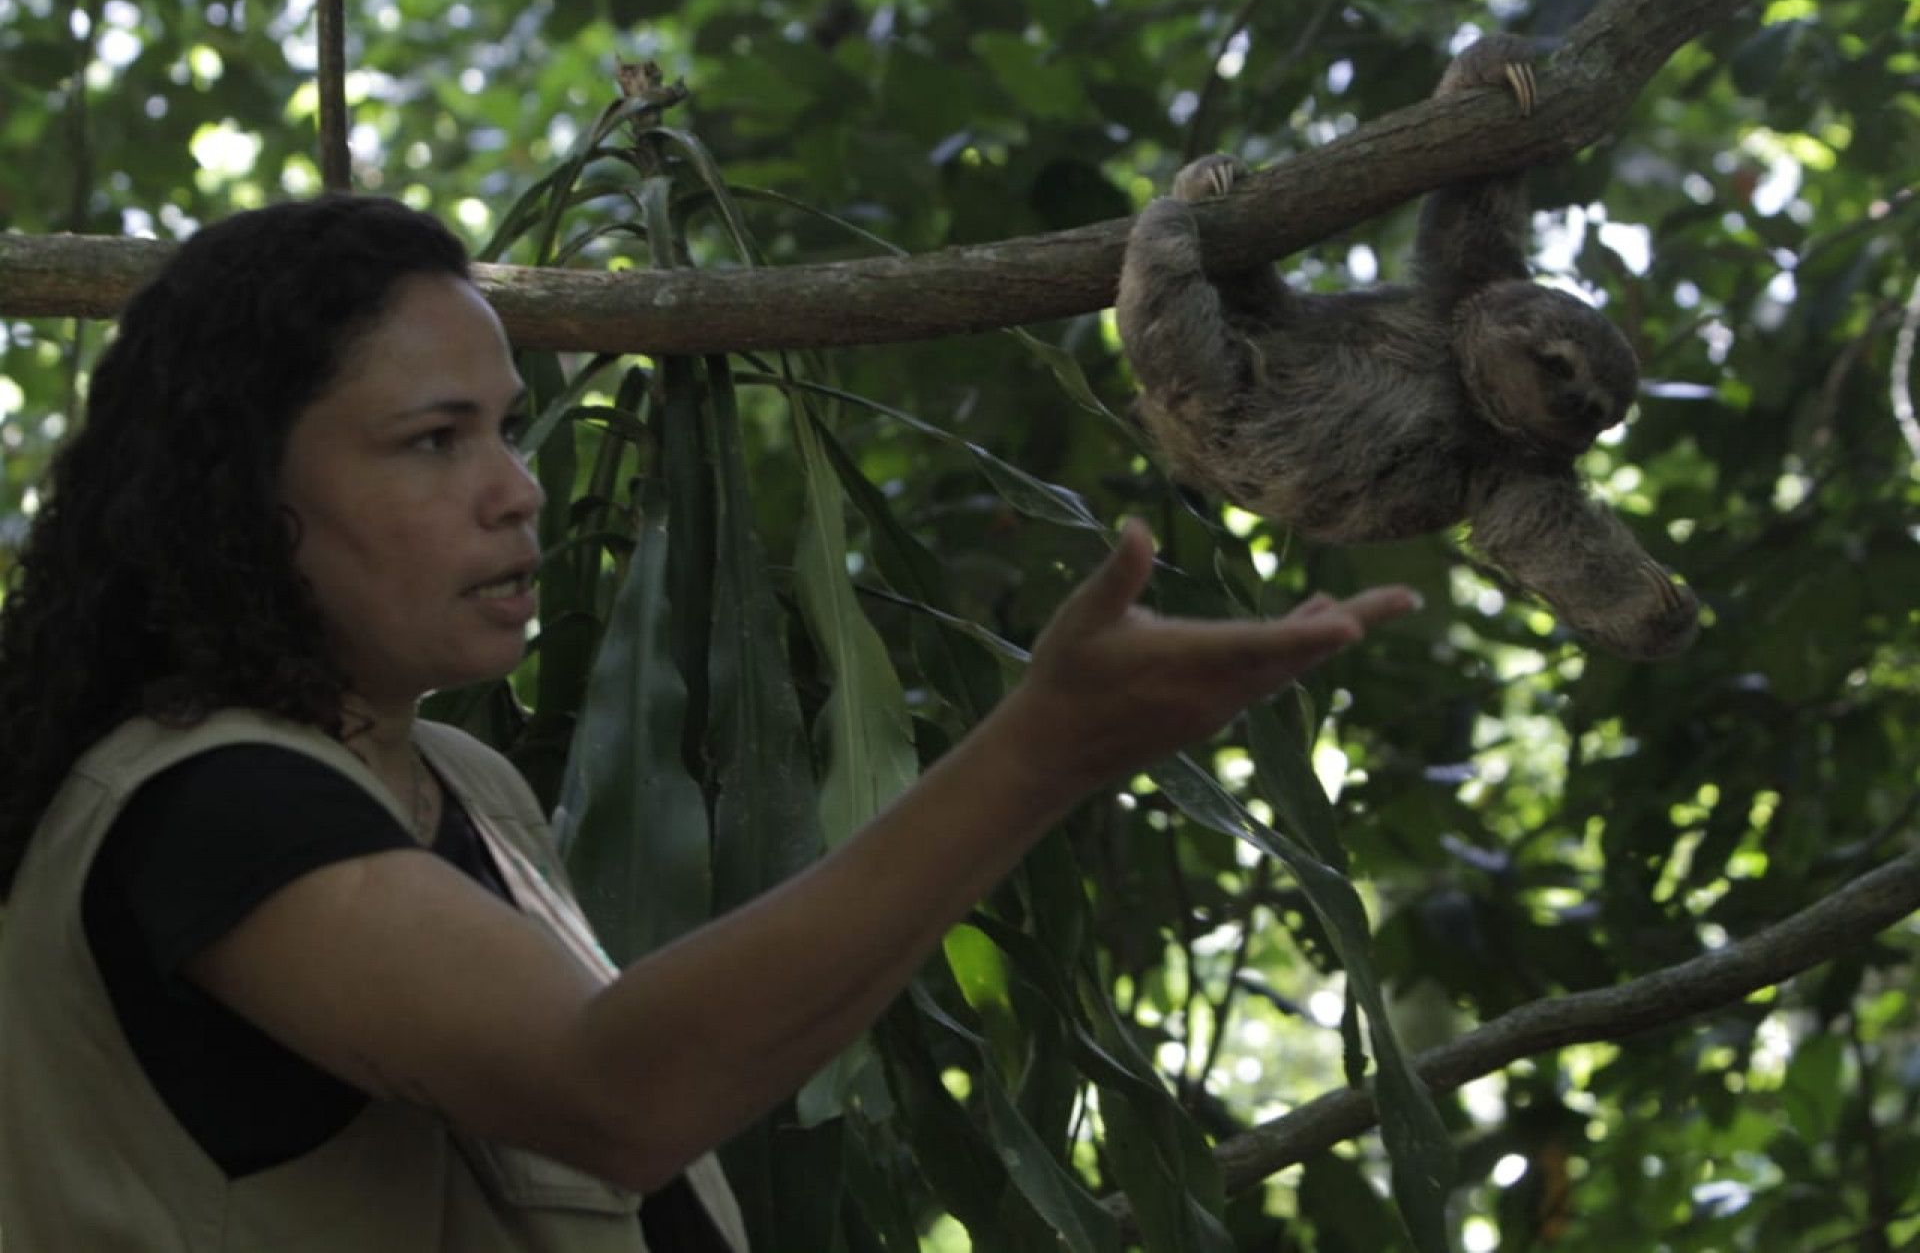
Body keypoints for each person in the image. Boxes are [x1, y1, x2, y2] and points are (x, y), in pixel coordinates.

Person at [0, 195, 1416, 1251]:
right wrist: (1037, 753)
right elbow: (623, 1090)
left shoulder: (461, 780)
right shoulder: (210, 805)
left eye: (506, 428)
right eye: (435, 441)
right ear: (240, 490)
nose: (518, 489)